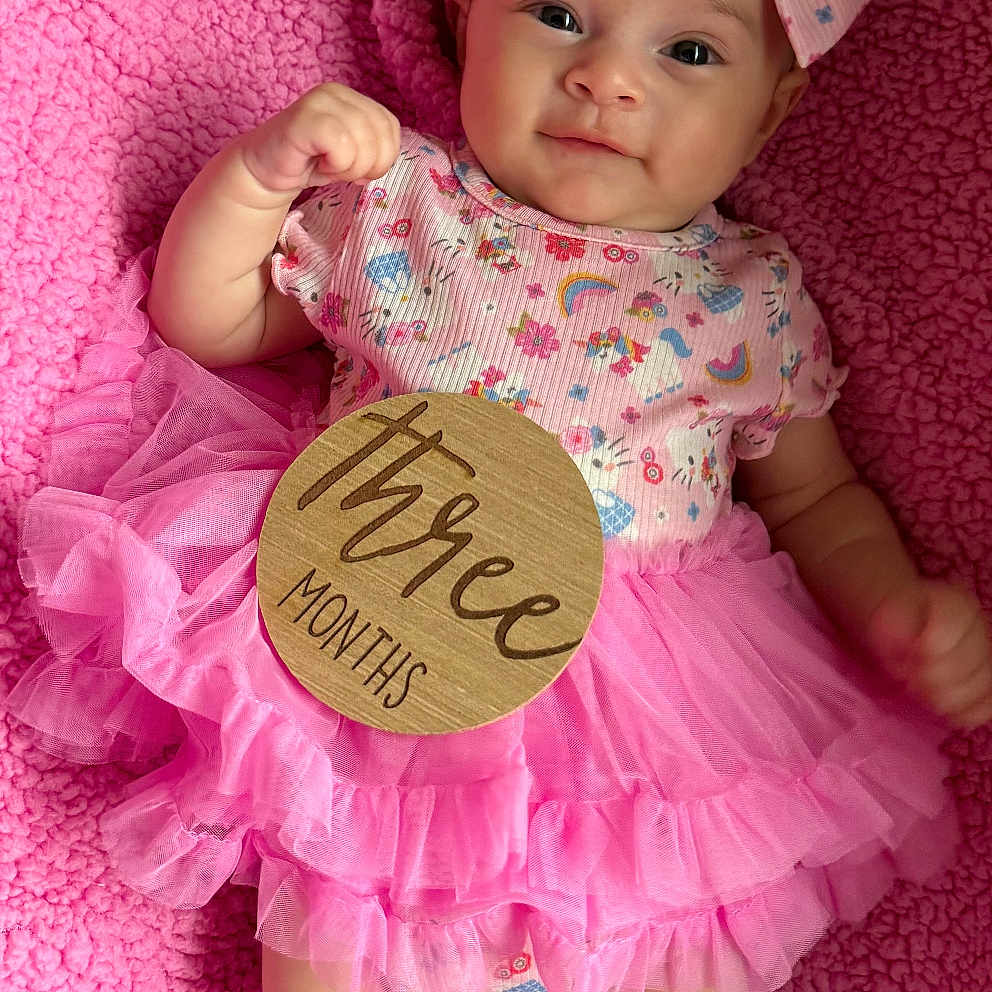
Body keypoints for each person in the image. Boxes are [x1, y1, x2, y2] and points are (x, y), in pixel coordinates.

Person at [7, 1, 992, 990]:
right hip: (396, 617)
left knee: (661, 918)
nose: (604, 76)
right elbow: (209, 324)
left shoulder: (747, 296)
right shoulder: (400, 204)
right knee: (347, 898)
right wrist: (258, 178)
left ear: (771, 110)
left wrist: (888, 603)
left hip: (652, 711)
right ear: (467, 23)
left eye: (688, 50)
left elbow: (815, 498)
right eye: (558, 14)